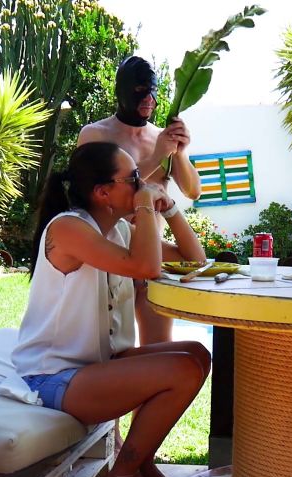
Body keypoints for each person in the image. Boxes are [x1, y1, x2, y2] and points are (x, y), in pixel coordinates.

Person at [12, 142, 210, 477]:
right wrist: (145, 206)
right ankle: (124, 475)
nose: (141, 184)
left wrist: (170, 208)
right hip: (50, 377)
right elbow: (146, 268)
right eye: (132, 178)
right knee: (181, 369)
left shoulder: (117, 229)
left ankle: (142, 464)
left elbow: (194, 260)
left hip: (93, 367)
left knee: (196, 355)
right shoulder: (68, 228)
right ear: (103, 192)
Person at [77, 56, 202, 346]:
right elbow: (95, 192)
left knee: (158, 347)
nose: (148, 99)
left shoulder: (161, 136)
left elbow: (193, 191)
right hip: (110, 251)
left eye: (153, 91)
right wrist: (157, 156)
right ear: (122, 91)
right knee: (105, 346)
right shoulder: (96, 134)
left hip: (152, 253)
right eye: (140, 90)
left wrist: (180, 152)